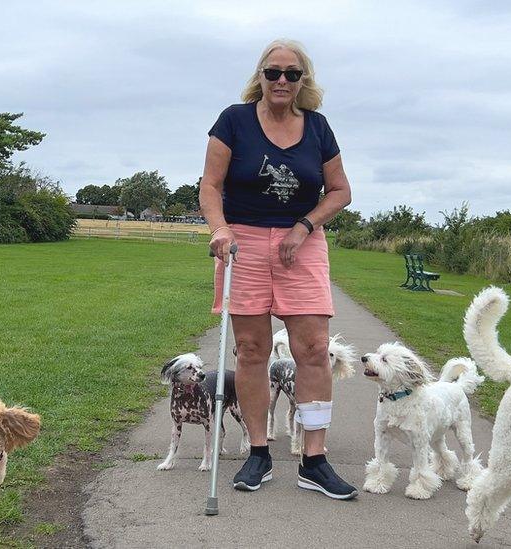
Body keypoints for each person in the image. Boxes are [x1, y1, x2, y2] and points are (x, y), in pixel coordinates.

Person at [198, 39, 356, 499]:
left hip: (300, 245)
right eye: (273, 73)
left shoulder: (319, 128)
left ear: (303, 79)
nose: (282, 81)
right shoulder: (234, 120)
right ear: (260, 77)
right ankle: (259, 452)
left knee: (313, 348)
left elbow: (340, 191)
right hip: (242, 243)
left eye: (292, 73)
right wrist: (219, 229)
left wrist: (304, 226)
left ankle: (314, 459)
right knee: (250, 350)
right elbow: (210, 185)